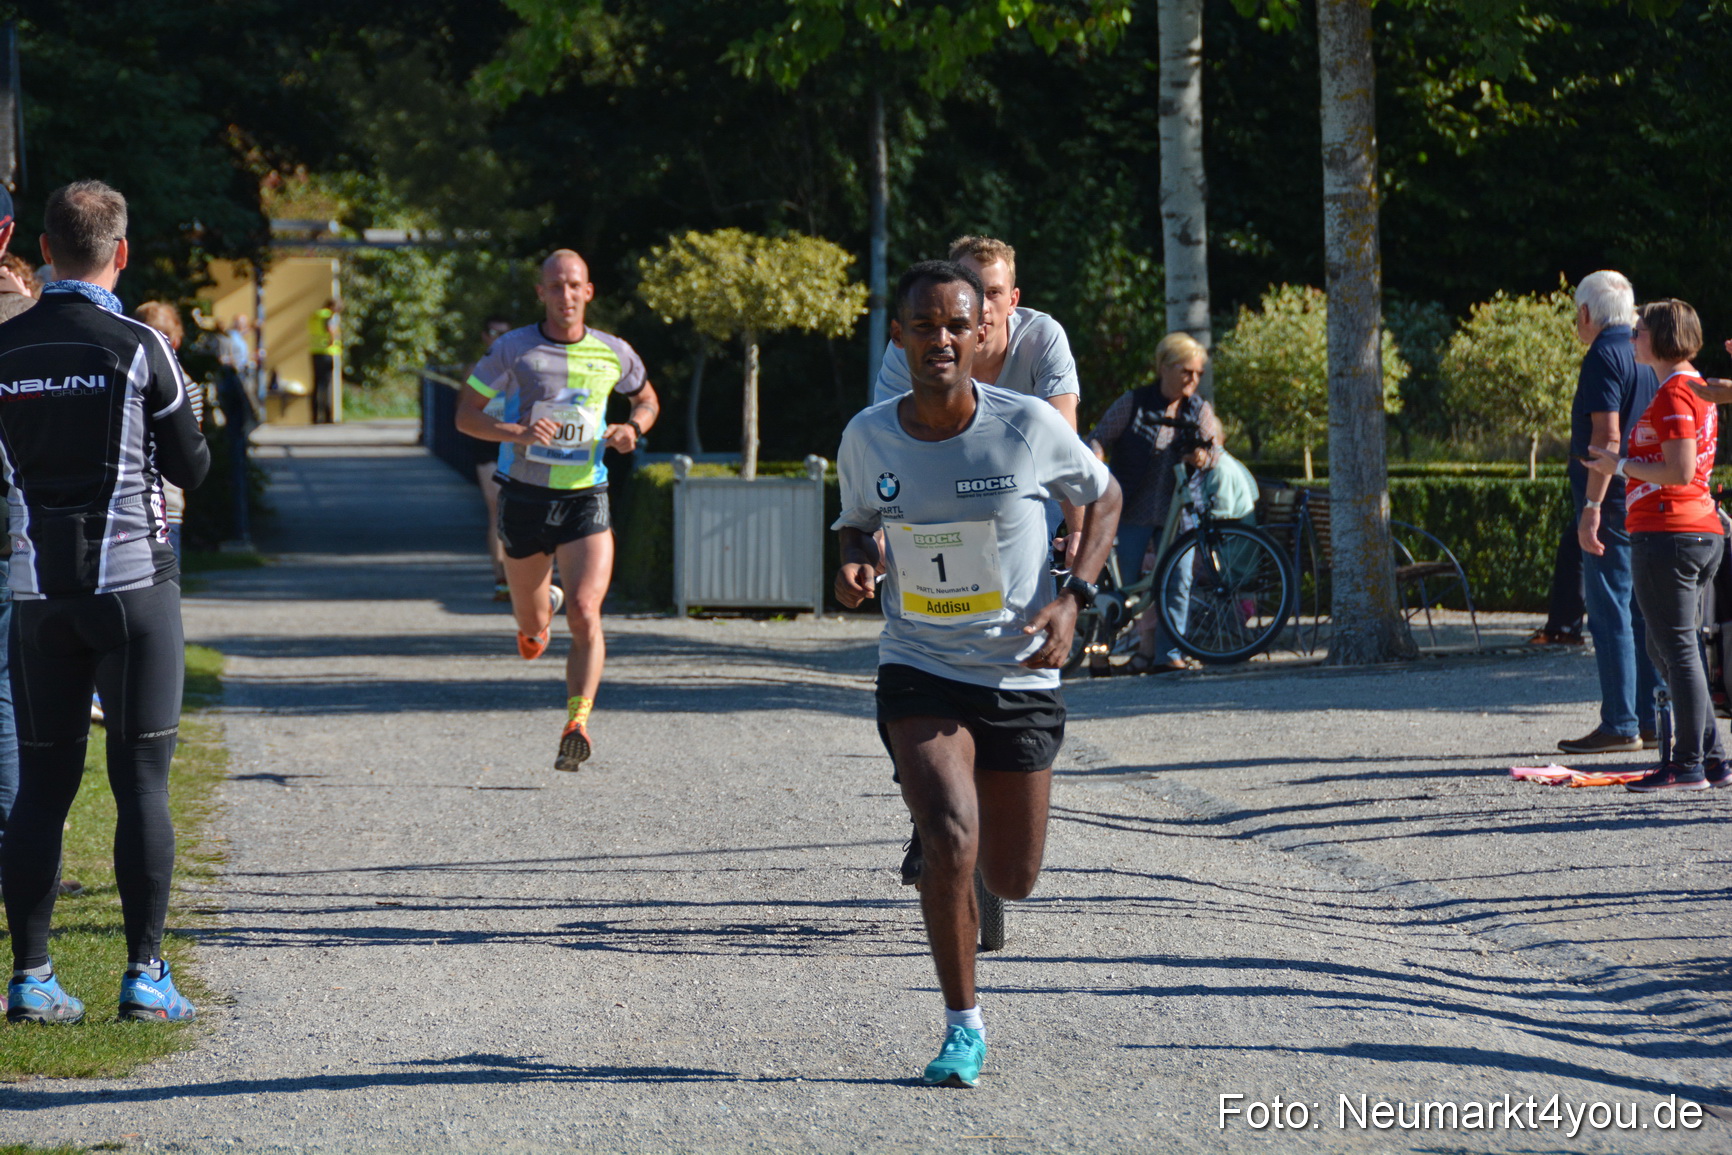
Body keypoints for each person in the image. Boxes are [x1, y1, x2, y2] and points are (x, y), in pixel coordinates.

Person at [833, 260, 1122, 1088]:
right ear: (899, 336)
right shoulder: (868, 435)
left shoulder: (1025, 425)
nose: (942, 339)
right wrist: (854, 560)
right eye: (924, 326)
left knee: (1011, 874)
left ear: (982, 331)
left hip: (1019, 671)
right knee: (949, 832)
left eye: (957, 325)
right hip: (918, 661)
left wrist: (1074, 598)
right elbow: (856, 522)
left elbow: (1106, 497)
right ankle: (964, 1025)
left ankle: (965, 851)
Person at [0, 180, 210, 1023]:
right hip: (133, 589)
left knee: (42, 786)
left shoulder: (5, 346)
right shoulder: (142, 345)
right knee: (142, 782)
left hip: (36, 594)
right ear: (120, 253)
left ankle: (32, 977)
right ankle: (145, 975)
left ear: (45, 251)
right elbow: (192, 467)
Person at [455, 251, 659, 770]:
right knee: (532, 628)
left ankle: (577, 722)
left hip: (585, 498)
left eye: (574, 285)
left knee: (586, 611)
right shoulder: (513, 349)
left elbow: (647, 401)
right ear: (541, 293)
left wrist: (631, 428)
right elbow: (465, 416)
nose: (565, 295)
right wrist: (517, 431)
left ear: (588, 291)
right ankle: (538, 610)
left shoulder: (614, 352)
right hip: (524, 497)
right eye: (555, 286)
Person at [1584, 299, 1726, 791]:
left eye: (1639, 331)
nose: (1632, 338)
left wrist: (1618, 466)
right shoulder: (1693, 386)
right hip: (1689, 531)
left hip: (1671, 532)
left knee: (1677, 649)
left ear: (1662, 338)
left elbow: (1680, 470)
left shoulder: (1674, 394)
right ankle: (1711, 759)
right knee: (1667, 646)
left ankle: (1687, 765)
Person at [1558, 271, 1662, 756]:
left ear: (1585, 313)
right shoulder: (1646, 351)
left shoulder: (1602, 354)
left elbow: (1607, 438)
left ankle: (1620, 722)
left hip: (1613, 499)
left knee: (1609, 609)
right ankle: (1651, 718)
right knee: (1641, 610)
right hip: (1644, 494)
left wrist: (1591, 506)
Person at [1085, 333, 1223, 673]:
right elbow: (1099, 437)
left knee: (1179, 581)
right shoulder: (1134, 402)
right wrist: (1096, 464)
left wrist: (1203, 456)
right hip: (1132, 508)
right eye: (1186, 371)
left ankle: (1169, 655)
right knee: (1121, 587)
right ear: (1164, 367)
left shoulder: (1198, 408)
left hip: (1176, 514)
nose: (1193, 379)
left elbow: (1214, 448)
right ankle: (1099, 653)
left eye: (1198, 373)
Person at [134, 302, 203, 558]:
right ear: (176, 341)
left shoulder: (124, 378)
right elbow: (189, 451)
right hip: (167, 501)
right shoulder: (187, 387)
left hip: (127, 502)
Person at [463, 316, 514, 600]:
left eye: (505, 333)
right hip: (486, 444)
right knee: (496, 507)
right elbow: (463, 411)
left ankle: (521, 575)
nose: (499, 338)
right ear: (485, 336)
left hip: (516, 443)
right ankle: (501, 577)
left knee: (521, 508)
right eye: (494, 332)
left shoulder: (523, 367)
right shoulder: (475, 369)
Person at [215, 316, 257, 548]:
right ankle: (240, 530)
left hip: (233, 411)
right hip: (237, 408)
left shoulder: (228, 340)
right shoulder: (234, 342)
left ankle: (239, 528)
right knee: (237, 462)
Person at [309, 297, 341, 424]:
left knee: (317, 384)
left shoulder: (315, 316)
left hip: (315, 351)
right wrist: (334, 338)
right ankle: (327, 416)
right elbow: (331, 330)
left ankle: (315, 416)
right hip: (326, 352)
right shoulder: (328, 316)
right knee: (326, 385)